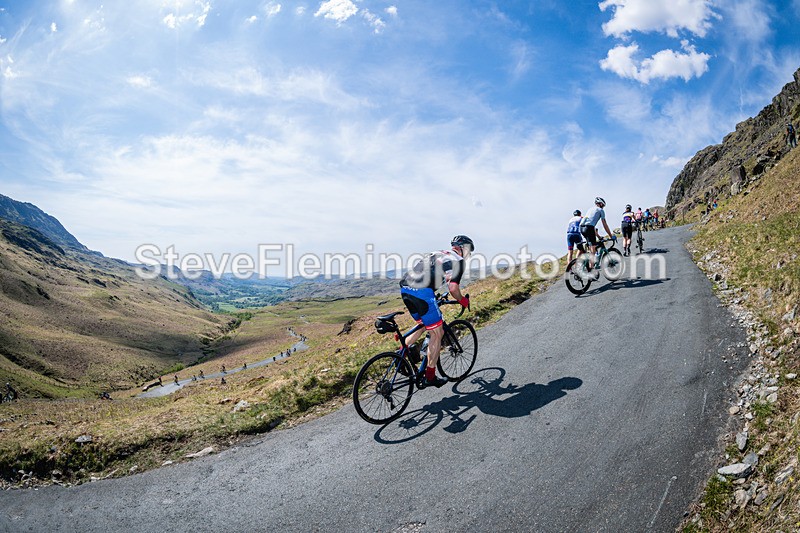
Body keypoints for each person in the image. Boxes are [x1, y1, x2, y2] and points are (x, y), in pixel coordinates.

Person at [399, 235, 474, 388]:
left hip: (406, 288)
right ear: (462, 248)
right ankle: (430, 376)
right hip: (422, 292)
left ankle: (399, 358)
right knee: (437, 333)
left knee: (422, 325)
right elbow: (453, 288)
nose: (469, 254)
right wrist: (463, 301)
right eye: (469, 250)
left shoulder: (437, 253)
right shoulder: (458, 262)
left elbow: (432, 273)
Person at [579, 197, 615, 278]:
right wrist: (611, 235)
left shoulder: (590, 209)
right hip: (589, 228)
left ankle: (586, 264)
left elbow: (589, 224)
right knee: (593, 251)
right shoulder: (601, 210)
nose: (603, 207)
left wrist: (598, 236)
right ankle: (591, 272)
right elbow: (604, 224)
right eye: (603, 205)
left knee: (591, 247)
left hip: (582, 228)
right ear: (601, 204)